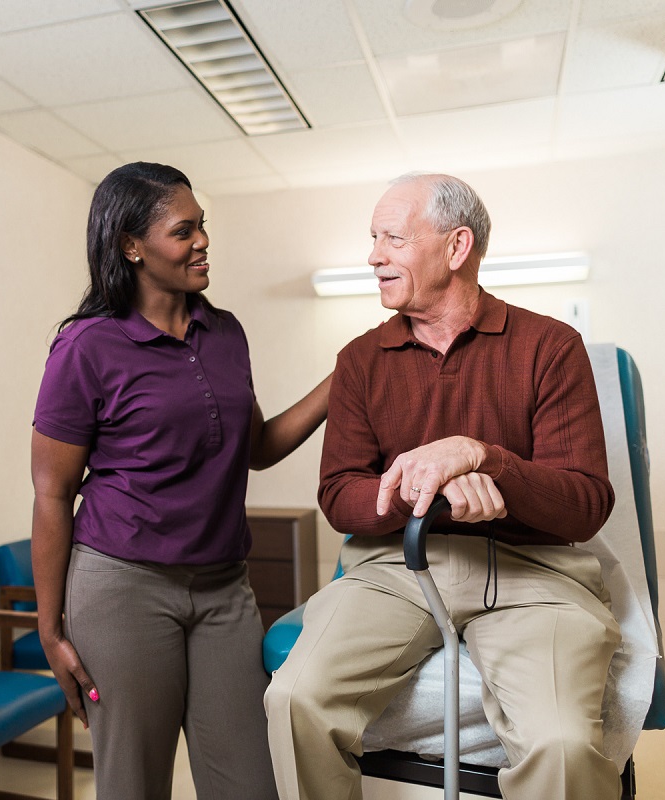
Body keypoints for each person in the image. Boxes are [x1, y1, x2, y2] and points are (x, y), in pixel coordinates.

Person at [265, 173, 621, 800]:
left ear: (457, 248)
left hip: (532, 571)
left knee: (562, 744)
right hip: (398, 567)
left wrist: (488, 462)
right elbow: (337, 491)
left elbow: (585, 505)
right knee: (294, 698)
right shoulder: (359, 360)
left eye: (393, 238)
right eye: (372, 238)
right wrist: (409, 489)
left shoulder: (550, 347)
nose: (373, 255)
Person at [31, 162, 332, 800]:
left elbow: (256, 448)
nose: (202, 242)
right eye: (183, 230)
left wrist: (342, 379)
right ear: (131, 246)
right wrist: (50, 628)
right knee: (134, 785)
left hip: (225, 590)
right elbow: (52, 493)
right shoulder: (87, 347)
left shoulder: (225, 334)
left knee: (251, 784)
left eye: (203, 227)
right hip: (122, 590)